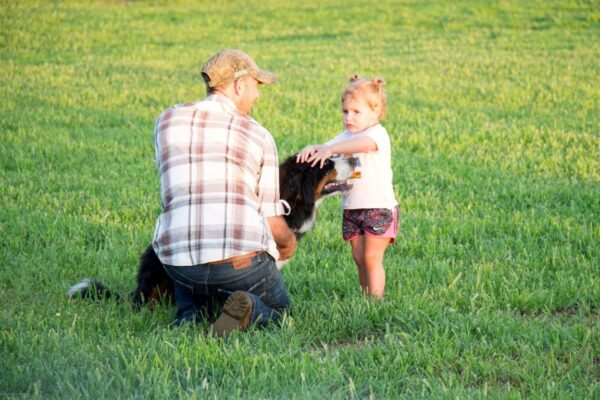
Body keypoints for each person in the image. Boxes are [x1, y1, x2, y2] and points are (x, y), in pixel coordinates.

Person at [152, 49, 297, 336]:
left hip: (177, 264)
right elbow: (272, 220)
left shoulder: (166, 121)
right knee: (281, 313)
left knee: (189, 226)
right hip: (239, 265)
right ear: (239, 85)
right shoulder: (258, 135)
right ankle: (251, 308)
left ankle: (190, 314)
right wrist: (288, 245)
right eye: (256, 86)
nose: (257, 96)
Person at [296, 75, 398, 299]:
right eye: (345, 111)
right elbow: (327, 146)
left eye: (356, 112)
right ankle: (366, 297)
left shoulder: (377, 134)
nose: (348, 117)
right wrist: (313, 147)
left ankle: (376, 302)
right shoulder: (346, 136)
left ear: (376, 111)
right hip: (352, 207)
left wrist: (333, 149)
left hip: (378, 206)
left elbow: (361, 145)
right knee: (359, 257)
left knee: (372, 257)